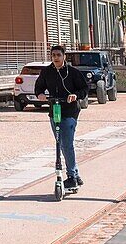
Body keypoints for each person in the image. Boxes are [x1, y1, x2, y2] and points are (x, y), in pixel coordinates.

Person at [34, 45, 89, 189]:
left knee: (66, 143)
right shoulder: (47, 72)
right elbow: (39, 87)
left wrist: (75, 95)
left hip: (70, 111)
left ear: (64, 56)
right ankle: (75, 174)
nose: (56, 58)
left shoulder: (72, 72)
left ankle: (71, 176)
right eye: (53, 55)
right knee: (60, 142)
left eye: (58, 55)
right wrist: (40, 94)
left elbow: (84, 88)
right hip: (55, 110)